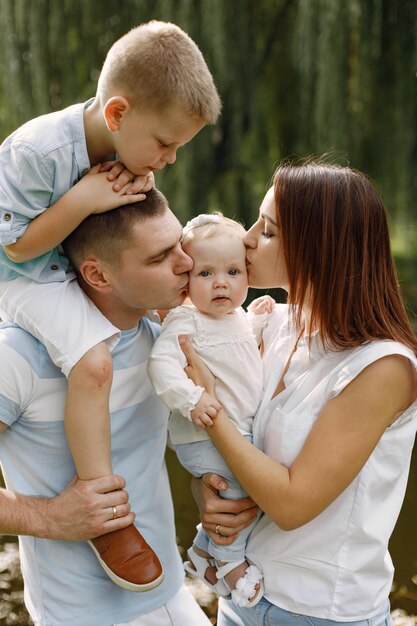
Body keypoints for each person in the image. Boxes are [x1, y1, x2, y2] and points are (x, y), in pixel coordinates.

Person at [0, 20, 221, 590]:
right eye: (166, 144)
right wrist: (83, 199)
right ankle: (104, 511)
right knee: (94, 363)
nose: (169, 159)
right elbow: (16, 246)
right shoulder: (34, 152)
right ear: (118, 114)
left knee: (179, 321)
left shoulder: (129, 145)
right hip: (24, 277)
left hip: (73, 271)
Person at [180, 161, 417, 626]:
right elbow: (242, 451)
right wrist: (205, 492)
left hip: (318, 613)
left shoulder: (383, 367)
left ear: (317, 249)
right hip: (241, 598)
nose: (246, 239)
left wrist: (210, 410)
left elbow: (291, 504)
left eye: (267, 231)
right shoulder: (272, 323)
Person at [0, 188, 227, 626]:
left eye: (180, 243)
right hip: (81, 616)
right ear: (98, 276)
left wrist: (204, 489)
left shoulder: (156, 334)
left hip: (171, 592)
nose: (186, 263)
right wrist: (50, 518)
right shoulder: (16, 356)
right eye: (160, 258)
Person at [148, 213, 270, 607]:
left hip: (232, 430)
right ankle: (231, 563)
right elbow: (161, 366)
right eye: (205, 273)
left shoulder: (234, 317)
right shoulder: (187, 320)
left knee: (246, 481)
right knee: (238, 488)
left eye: (233, 271)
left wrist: (259, 322)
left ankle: (203, 552)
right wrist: (192, 398)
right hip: (202, 433)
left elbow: (239, 351)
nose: (221, 282)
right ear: (186, 279)